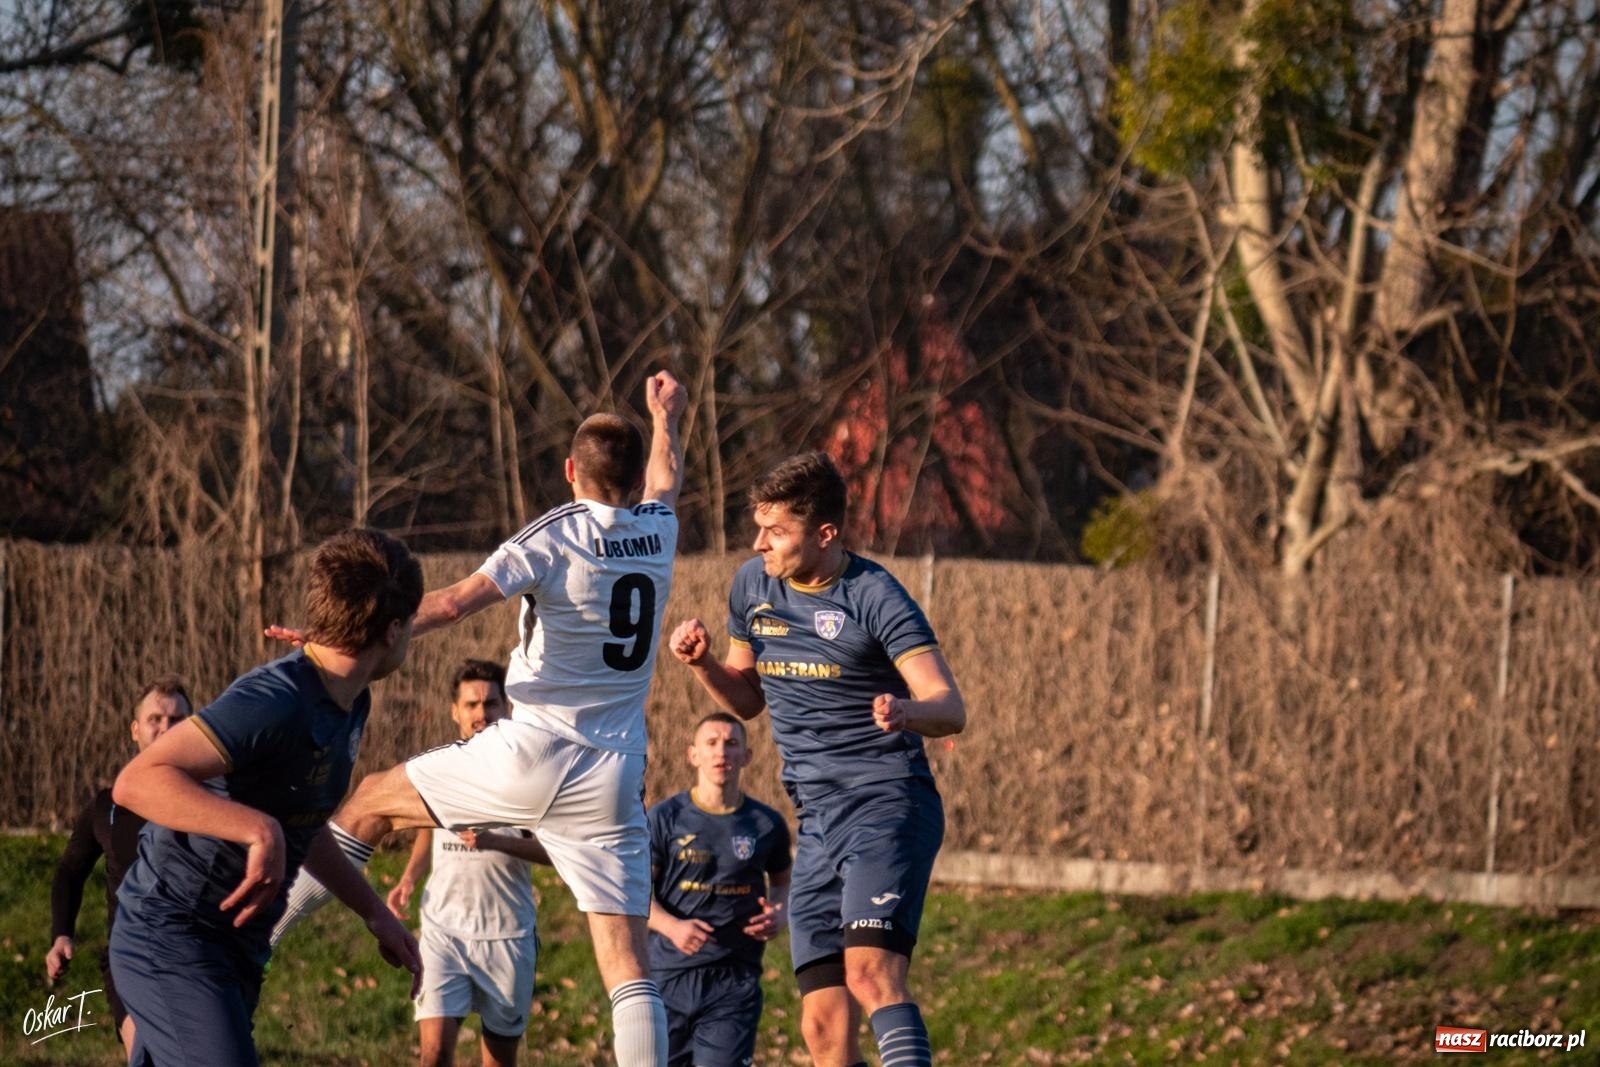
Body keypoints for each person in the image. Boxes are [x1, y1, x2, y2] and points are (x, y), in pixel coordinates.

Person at [271, 369, 687, 1066]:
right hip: (615, 773)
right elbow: (667, 481)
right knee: (628, 964)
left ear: (568, 472)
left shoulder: (558, 533)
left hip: (533, 748)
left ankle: (252, 945)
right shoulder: (660, 527)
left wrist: (346, 635)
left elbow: (457, 601)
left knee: (371, 801)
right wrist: (668, 416)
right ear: (631, 475)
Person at [667, 451, 966, 1067]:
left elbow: (949, 706)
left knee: (871, 975)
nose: (760, 543)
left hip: (887, 805)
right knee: (822, 1029)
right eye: (759, 528)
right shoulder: (753, 586)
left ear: (825, 534)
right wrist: (704, 666)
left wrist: (907, 712)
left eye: (776, 532)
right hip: (819, 822)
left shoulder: (874, 594)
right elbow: (748, 701)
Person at [108, 528, 426, 1067]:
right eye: (413, 624)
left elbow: (304, 824)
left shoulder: (352, 701)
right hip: (174, 935)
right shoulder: (274, 698)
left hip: (236, 946)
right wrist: (257, 828)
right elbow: (137, 780)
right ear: (393, 631)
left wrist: (376, 914)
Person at [385, 659, 551, 1067]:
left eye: (491, 703)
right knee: (434, 1056)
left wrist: (495, 841)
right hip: (444, 933)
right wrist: (409, 877)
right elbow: (427, 826)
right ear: (454, 711)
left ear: (505, 708)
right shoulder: (437, 767)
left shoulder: (530, 777)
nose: (481, 713)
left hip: (507, 936)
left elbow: (554, 853)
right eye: (472, 704)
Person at [46, 677, 192, 1050]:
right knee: (148, 1051)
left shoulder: (213, 799)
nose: (165, 729)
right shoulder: (108, 806)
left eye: (176, 721)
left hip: (198, 958)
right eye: (155, 719)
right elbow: (69, 872)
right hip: (131, 959)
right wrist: (62, 933)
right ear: (135, 730)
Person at [647, 712, 791, 1067]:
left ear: (747, 756)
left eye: (731, 743)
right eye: (711, 743)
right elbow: (634, 894)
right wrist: (672, 927)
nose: (721, 752)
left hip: (734, 979)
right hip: (668, 975)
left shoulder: (766, 823)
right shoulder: (664, 818)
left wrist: (779, 914)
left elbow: (785, 884)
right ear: (693, 755)